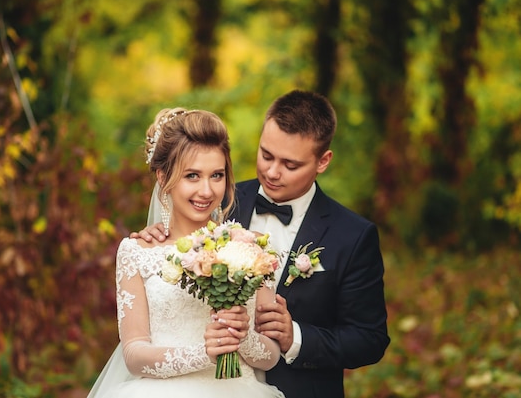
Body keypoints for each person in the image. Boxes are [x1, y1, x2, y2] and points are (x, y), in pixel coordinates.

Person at [133, 90, 390, 398]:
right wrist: (156, 235)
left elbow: (369, 339)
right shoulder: (216, 199)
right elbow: (176, 240)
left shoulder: (352, 236)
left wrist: (295, 336)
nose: (271, 172)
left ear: (323, 161)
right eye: (266, 155)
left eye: (290, 164)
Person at [87, 108, 285, 398]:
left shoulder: (251, 249)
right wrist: (203, 353)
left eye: (216, 175)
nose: (206, 190)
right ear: (163, 176)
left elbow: (271, 355)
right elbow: (134, 354)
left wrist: (243, 339)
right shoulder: (137, 251)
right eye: (192, 176)